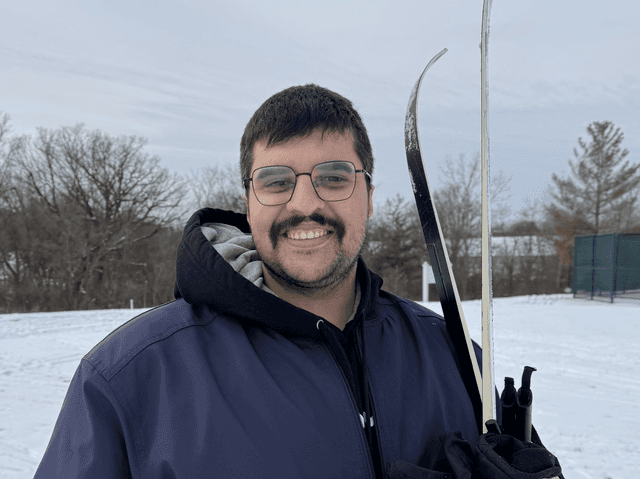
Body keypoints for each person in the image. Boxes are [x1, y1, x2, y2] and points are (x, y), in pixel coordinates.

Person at [35, 84, 559, 479]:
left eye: (334, 177)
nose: (305, 203)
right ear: (248, 204)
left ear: (369, 198)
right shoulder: (131, 376)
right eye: (276, 181)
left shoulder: (454, 357)